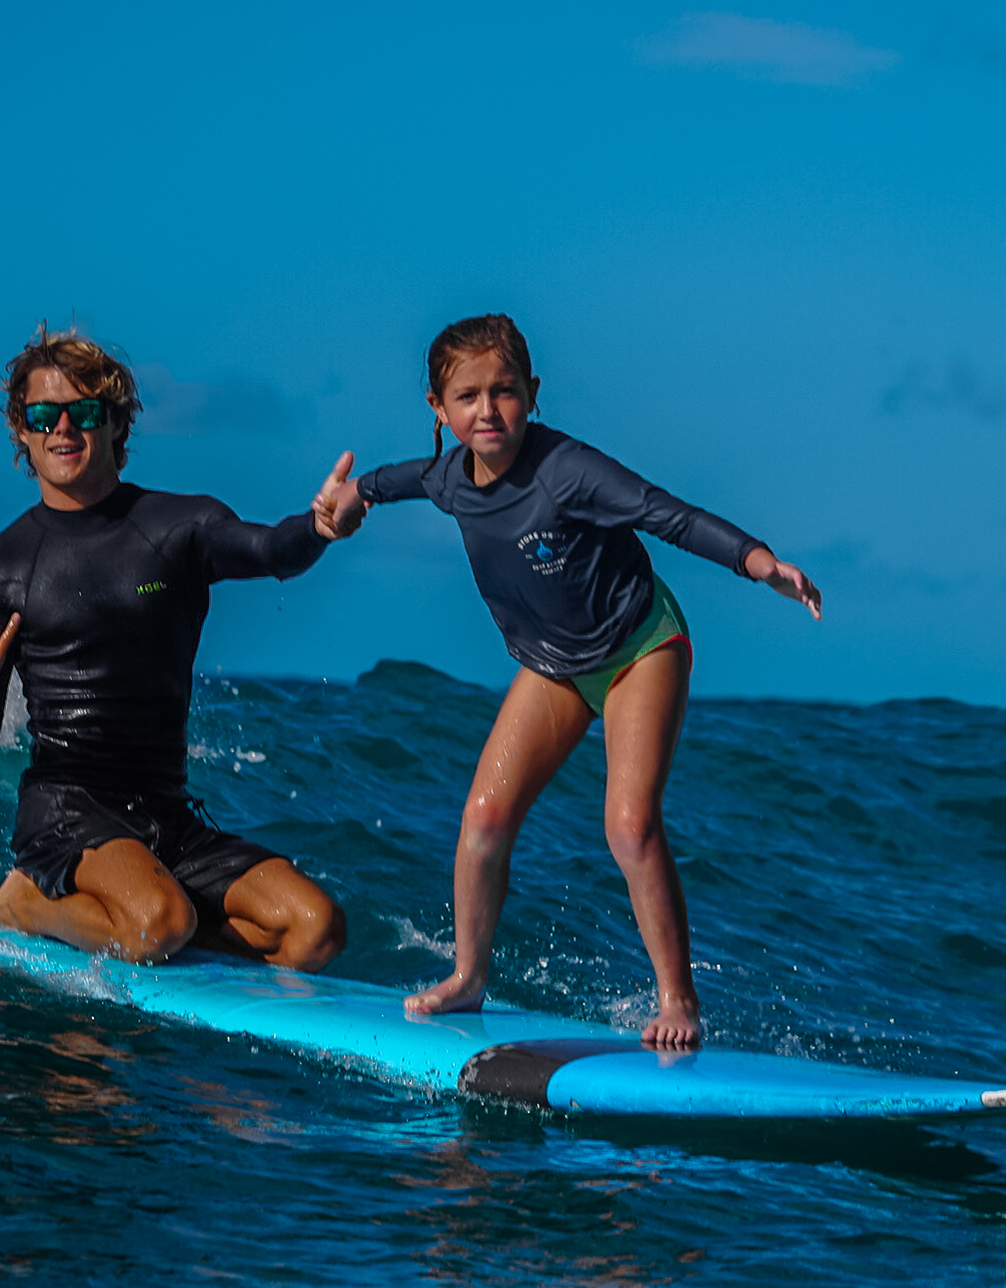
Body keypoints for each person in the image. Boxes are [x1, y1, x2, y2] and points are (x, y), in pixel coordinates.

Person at [310, 314, 820, 1047]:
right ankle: (469, 977)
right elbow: (393, 482)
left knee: (629, 824)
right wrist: (352, 494)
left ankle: (679, 1000)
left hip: (640, 646)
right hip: (552, 663)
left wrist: (758, 560)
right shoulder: (449, 476)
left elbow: (661, 513)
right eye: (468, 396)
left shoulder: (568, 471)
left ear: (533, 393)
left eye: (505, 391)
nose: (488, 410)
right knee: (483, 819)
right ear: (438, 409)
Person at [0, 327, 361, 972]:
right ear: (22, 430)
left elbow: (272, 550)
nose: (63, 429)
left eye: (84, 412)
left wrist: (319, 528)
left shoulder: (179, 528)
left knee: (316, 929)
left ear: (114, 422)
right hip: (66, 809)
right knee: (160, 923)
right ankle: (30, 905)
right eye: (43, 415)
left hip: (163, 811)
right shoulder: (1, 568)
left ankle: (146, 915)